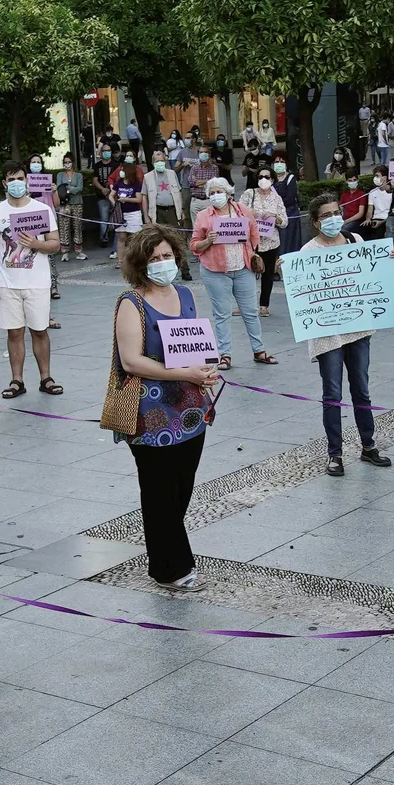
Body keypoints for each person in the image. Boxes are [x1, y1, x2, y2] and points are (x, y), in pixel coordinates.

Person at [109, 226, 220, 591]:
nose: (162, 263)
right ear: (141, 264)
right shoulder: (132, 302)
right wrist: (181, 371)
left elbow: (196, 345)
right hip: (149, 414)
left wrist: (205, 368)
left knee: (181, 489)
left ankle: (169, 554)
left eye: (167, 256)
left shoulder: (185, 294)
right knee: (159, 492)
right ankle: (170, 567)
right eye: (154, 258)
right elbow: (131, 361)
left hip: (190, 410)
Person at [299, 195, 394, 477]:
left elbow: (373, 275)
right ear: (316, 222)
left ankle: (368, 445)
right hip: (327, 334)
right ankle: (335, 454)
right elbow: (302, 292)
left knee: (361, 389)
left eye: (336, 212)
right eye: (326, 215)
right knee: (332, 394)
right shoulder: (307, 252)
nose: (333, 218)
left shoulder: (355, 241)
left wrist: (387, 260)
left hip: (358, 327)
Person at [0, 162, 64, 398]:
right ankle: (16, 380)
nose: (16, 183)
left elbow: (54, 244)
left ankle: (46, 378)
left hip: (37, 281)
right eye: (11, 179)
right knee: (14, 332)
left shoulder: (41, 209)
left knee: (40, 330)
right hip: (8, 282)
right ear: (4, 183)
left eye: (20, 178)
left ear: (27, 181)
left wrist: (36, 244)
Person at [189, 176, 276, 369]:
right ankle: (225, 355)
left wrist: (252, 251)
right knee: (222, 314)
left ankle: (259, 350)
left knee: (251, 312)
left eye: (219, 192)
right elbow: (194, 245)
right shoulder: (204, 216)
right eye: (212, 193)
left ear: (228, 194)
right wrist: (208, 241)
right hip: (215, 271)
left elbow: (254, 231)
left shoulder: (242, 210)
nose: (215, 195)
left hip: (243, 268)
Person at [242, 168, 288, 318]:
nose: (263, 179)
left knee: (268, 274)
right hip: (250, 241)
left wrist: (274, 217)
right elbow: (237, 211)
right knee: (245, 273)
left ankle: (264, 305)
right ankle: (244, 305)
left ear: (272, 179)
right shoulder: (250, 194)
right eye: (261, 176)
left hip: (270, 241)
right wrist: (250, 212)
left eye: (267, 177)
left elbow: (284, 222)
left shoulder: (277, 198)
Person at [111, 155, 147, 261]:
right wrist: (115, 204)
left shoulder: (136, 183)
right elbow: (111, 195)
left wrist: (126, 199)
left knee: (134, 238)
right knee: (121, 237)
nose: (121, 171)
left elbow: (138, 199)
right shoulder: (119, 182)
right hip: (121, 214)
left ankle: (134, 260)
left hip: (133, 213)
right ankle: (120, 261)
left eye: (123, 169)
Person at [54, 152, 88, 262]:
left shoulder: (79, 175)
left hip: (77, 203)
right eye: (65, 162)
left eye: (69, 162)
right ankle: (65, 252)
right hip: (64, 204)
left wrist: (68, 189)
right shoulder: (60, 175)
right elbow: (60, 188)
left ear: (73, 163)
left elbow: (79, 188)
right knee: (64, 227)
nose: (67, 164)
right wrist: (71, 189)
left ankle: (78, 250)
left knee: (77, 226)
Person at [144, 149, 184, 233]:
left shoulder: (172, 173)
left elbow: (179, 192)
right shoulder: (147, 177)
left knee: (176, 235)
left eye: (162, 160)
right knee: (159, 236)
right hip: (157, 212)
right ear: (153, 163)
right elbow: (144, 197)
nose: (160, 163)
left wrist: (182, 210)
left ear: (165, 161)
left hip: (172, 211)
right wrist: (146, 217)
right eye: (157, 161)